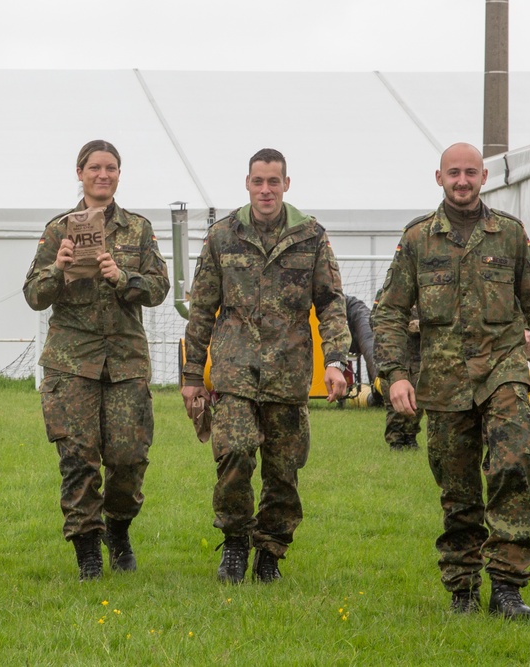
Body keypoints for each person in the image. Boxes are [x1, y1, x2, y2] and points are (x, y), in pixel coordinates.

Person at [373, 142, 530, 620]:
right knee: (458, 491)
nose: (462, 181)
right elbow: (389, 313)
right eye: (453, 173)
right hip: (442, 384)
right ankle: (462, 587)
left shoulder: (509, 234)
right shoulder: (418, 239)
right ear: (438, 178)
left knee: (514, 458)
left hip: (503, 371)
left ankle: (506, 585)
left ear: (484, 177)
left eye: (470, 173)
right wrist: (396, 375)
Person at [180, 148, 350, 584]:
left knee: (284, 468)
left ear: (286, 184)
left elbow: (331, 304)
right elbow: (201, 309)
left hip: (289, 372)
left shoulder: (311, 236)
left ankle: (270, 551)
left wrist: (336, 361)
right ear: (247, 183)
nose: (266, 190)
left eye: (274, 182)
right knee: (234, 454)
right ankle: (235, 543)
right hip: (234, 368)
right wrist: (191, 377)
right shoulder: (223, 236)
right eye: (258, 181)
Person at [23, 140, 170, 580]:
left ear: (119, 175)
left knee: (128, 457)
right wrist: (58, 268)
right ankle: (87, 548)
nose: (102, 175)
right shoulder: (58, 230)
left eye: (110, 168)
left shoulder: (138, 230)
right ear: (79, 173)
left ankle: (119, 528)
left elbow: (160, 288)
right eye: (94, 168)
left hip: (125, 362)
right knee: (78, 458)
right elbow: (33, 294)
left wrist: (123, 278)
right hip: (72, 363)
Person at [371, 292, 423, 450]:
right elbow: (374, 320)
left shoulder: (424, 294)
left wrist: (421, 325)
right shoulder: (386, 293)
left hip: (417, 357)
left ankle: (411, 436)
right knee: (394, 403)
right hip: (394, 358)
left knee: (417, 400)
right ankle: (396, 440)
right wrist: (406, 326)